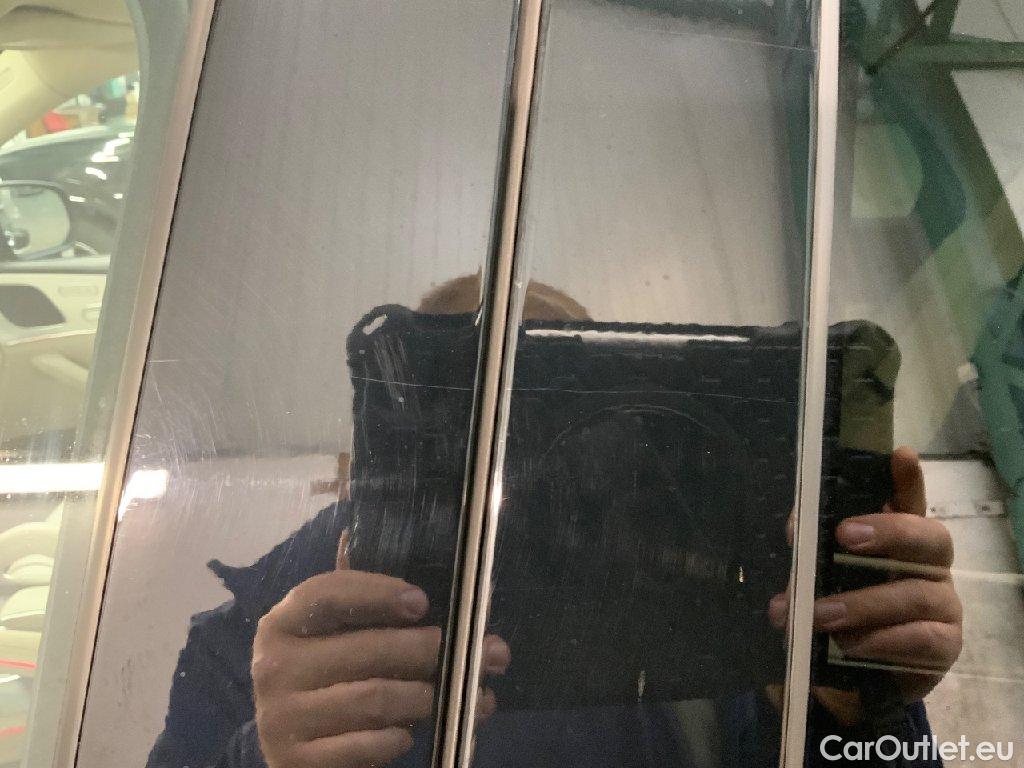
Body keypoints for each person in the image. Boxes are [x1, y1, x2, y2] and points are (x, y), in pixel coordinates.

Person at [147, 276, 962, 768]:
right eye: (461, 423)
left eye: (563, 417)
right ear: (377, 451)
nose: (518, 467)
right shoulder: (253, 644)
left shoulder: (718, 608)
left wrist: (852, 715)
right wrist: (267, 757)